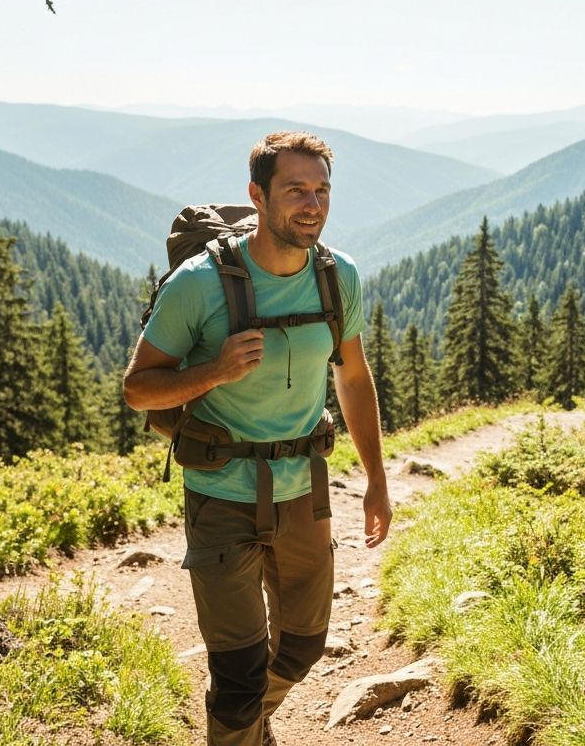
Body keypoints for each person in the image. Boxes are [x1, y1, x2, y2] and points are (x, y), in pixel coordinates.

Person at [123, 131, 392, 746]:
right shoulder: (198, 284)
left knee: (302, 646)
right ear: (258, 195)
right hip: (221, 493)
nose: (313, 205)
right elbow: (138, 388)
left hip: (304, 492)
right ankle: (239, 722)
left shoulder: (338, 275)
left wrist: (377, 480)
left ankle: (242, 723)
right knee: (239, 674)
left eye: (322, 190)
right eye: (296, 190)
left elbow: (353, 377)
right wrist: (214, 371)